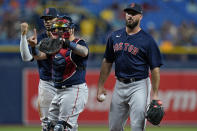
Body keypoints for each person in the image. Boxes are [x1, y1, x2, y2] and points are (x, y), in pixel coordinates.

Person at [97, 3, 163, 131]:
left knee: (137, 127)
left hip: (139, 85)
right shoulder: (114, 36)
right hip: (120, 84)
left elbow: (155, 68)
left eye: (133, 14)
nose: (130, 16)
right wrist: (100, 86)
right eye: (128, 13)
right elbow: (107, 61)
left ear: (140, 17)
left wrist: (155, 94)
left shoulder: (148, 40)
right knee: (114, 127)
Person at [28, 16, 89, 131]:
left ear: (71, 29)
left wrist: (67, 43)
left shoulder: (79, 42)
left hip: (74, 90)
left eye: (63, 29)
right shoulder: (55, 44)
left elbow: (84, 52)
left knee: (61, 128)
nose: (60, 32)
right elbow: (38, 56)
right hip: (58, 91)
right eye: (58, 29)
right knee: (48, 127)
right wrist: (33, 46)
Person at [20, 8, 58, 131]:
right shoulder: (40, 38)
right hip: (47, 83)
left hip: (66, 84)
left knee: (67, 124)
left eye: (50, 18)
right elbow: (27, 58)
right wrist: (23, 36)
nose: (47, 21)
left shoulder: (65, 36)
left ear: (57, 19)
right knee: (47, 125)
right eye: (45, 19)